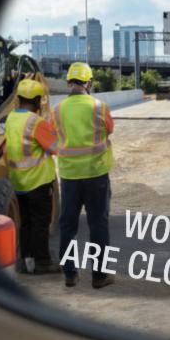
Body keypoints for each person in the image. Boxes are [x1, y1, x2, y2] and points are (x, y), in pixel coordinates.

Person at [53, 61, 116, 289]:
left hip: (69, 176)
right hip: (96, 173)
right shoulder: (100, 106)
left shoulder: (57, 110)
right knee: (98, 224)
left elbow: (55, 135)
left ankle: (70, 275)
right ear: (89, 82)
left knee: (68, 226)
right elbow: (109, 129)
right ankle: (99, 276)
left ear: (69, 82)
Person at [3, 78, 59, 275]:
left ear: (18, 99)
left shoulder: (11, 119)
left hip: (19, 182)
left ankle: (27, 261)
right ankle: (42, 261)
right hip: (38, 182)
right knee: (40, 224)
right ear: (37, 101)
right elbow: (55, 148)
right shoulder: (36, 122)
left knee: (25, 223)